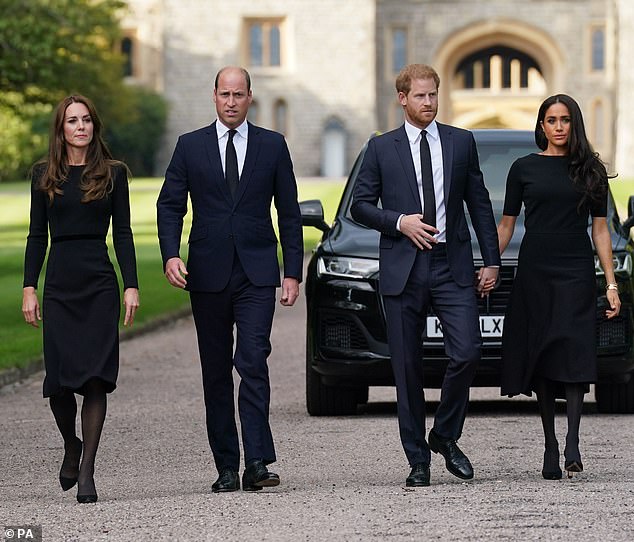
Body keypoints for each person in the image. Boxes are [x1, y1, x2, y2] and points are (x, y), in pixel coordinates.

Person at [350, 64, 500, 487]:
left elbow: (479, 204)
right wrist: (400, 222)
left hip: (451, 266)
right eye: (420, 96)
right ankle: (418, 461)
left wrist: (490, 259)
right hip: (402, 267)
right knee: (407, 369)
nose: (429, 102)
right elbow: (360, 206)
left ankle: (445, 435)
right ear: (402, 98)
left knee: (468, 351)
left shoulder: (461, 142)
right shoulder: (381, 148)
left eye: (433, 95)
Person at [156, 66, 303, 493]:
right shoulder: (190, 146)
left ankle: (256, 461)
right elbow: (170, 206)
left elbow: (290, 213)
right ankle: (225, 465)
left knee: (253, 360)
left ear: (250, 97)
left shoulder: (273, 146)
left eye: (239, 94)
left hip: (257, 272)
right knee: (216, 371)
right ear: (214, 96)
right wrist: (169, 255)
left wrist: (291, 271)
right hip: (207, 273)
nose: (232, 101)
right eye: (225, 94)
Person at [22, 95, 139, 503]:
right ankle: (71, 444)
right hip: (59, 284)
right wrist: (28, 288)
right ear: (61, 129)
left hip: (99, 283)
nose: (81, 127)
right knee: (58, 383)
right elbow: (37, 235)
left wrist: (131, 284)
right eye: (72, 121)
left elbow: (122, 233)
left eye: (86, 120)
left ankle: (87, 469)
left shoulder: (113, 174)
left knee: (94, 379)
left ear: (94, 126)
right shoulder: (43, 175)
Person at [497, 94, 620, 480]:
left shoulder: (591, 171)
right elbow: (506, 225)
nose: (558, 126)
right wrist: (488, 263)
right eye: (551, 120)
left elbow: (600, 231)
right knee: (544, 356)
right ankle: (550, 443)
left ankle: (573, 441)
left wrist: (611, 283)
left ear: (574, 124)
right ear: (541, 126)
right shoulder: (523, 169)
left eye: (565, 119)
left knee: (574, 351)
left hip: (575, 268)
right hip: (536, 269)